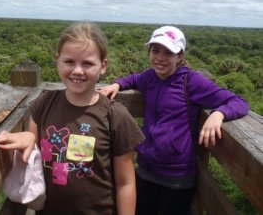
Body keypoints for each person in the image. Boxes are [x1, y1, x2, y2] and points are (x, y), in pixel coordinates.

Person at [0, 22, 145, 215]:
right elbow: (35, 154)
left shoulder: (115, 116)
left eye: (87, 63)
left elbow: (126, 182)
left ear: (103, 66)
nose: (78, 70)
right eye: (69, 61)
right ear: (57, 60)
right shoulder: (44, 104)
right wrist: (28, 139)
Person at [99, 25, 249, 215]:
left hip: (177, 177)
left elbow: (239, 102)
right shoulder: (149, 77)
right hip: (146, 168)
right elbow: (135, 79)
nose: (160, 57)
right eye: (155, 50)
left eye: (169, 52)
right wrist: (118, 83)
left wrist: (219, 114)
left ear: (180, 57)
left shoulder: (191, 81)